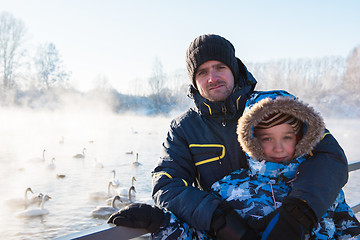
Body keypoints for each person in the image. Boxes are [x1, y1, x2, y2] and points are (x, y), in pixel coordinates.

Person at [109, 34, 349, 239]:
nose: (212, 78)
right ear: (194, 81)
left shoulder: (275, 106)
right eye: (202, 72)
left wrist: (299, 213)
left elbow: (330, 156)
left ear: (234, 69)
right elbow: (167, 184)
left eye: (220, 67)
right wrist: (219, 219)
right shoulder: (184, 128)